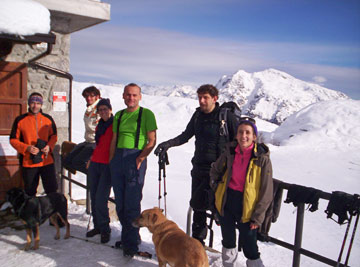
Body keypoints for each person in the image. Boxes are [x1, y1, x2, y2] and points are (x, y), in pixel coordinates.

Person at [154, 84, 238, 246]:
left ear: (215, 98)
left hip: (219, 172)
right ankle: (197, 242)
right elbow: (186, 135)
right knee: (198, 207)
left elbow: (238, 142)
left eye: (205, 97)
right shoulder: (198, 116)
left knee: (212, 206)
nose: (201, 101)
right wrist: (168, 144)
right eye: (200, 97)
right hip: (199, 168)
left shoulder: (226, 117)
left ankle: (227, 244)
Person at [209, 118, 273, 267]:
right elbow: (215, 170)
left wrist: (258, 217)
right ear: (236, 135)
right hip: (227, 201)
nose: (244, 136)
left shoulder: (262, 158)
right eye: (240, 132)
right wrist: (216, 188)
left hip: (249, 207)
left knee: (250, 247)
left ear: (254, 137)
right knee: (228, 241)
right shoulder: (230, 152)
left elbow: (267, 191)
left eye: (248, 133)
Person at [109, 83, 157, 257]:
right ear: (123, 96)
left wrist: (141, 157)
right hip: (118, 160)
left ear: (140, 97)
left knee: (131, 204)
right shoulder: (119, 115)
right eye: (128, 95)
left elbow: (152, 140)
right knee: (120, 204)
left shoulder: (146, 114)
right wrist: (111, 160)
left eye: (134, 95)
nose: (131, 98)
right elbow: (114, 138)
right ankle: (129, 236)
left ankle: (130, 245)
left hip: (134, 158)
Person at [10, 92, 58, 197]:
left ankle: (53, 212)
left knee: (52, 190)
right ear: (29, 104)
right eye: (32, 103)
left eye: (38, 103)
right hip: (29, 161)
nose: (35, 106)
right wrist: (26, 147)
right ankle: (32, 213)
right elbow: (13, 140)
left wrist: (49, 146)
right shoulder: (20, 120)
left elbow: (54, 136)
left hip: (46, 161)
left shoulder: (48, 119)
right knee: (30, 192)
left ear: (41, 105)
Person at [85, 98, 113, 244]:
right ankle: (98, 226)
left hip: (107, 166)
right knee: (94, 196)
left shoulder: (115, 125)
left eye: (105, 109)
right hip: (95, 163)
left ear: (110, 109)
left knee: (101, 199)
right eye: (100, 109)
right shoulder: (99, 125)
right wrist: (91, 158)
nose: (103, 112)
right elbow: (98, 145)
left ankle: (105, 229)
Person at [64, 86, 101, 174]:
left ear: (97, 97)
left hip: (95, 142)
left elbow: (100, 127)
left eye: (91, 96)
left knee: (77, 162)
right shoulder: (89, 109)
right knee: (67, 161)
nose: (88, 98)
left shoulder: (100, 109)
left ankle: (95, 174)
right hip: (88, 140)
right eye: (86, 96)